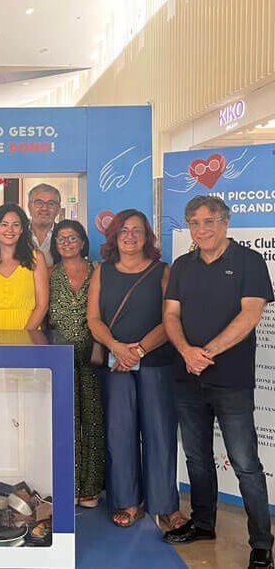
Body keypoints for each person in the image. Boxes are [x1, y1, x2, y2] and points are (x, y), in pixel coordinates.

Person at [163, 196, 273, 569]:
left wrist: (205, 353)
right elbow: (171, 315)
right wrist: (186, 351)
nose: (201, 229)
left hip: (231, 379)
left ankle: (261, 542)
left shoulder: (249, 261)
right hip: (187, 377)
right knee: (196, 457)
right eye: (194, 222)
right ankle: (203, 524)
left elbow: (251, 314)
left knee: (245, 463)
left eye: (208, 221)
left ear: (225, 223)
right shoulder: (182, 265)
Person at [87, 209, 184, 529]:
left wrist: (140, 350)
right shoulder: (102, 271)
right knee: (120, 434)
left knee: (160, 433)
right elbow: (93, 319)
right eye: (124, 230)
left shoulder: (162, 270)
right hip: (116, 364)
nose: (130, 236)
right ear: (114, 236)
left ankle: (166, 505)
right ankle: (128, 501)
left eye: (137, 230)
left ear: (147, 237)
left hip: (156, 362)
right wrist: (116, 347)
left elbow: (171, 319)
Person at [48, 219, 104, 508]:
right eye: (61, 238)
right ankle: (68, 485)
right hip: (59, 360)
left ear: (83, 242)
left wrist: (101, 344)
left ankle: (90, 488)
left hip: (92, 357)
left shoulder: (98, 270)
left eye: (72, 237)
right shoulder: (49, 274)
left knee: (93, 421)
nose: (67, 243)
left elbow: (106, 311)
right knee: (65, 422)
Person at [0, 203, 48, 329]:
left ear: (22, 229)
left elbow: (42, 305)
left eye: (16, 225)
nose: (10, 230)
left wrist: (26, 335)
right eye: (4, 224)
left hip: (28, 332)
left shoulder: (36, 258)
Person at [28, 183, 61, 267]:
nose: (44, 208)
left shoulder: (64, 235)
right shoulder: (17, 234)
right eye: (39, 203)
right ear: (29, 206)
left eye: (51, 204)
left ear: (58, 209)